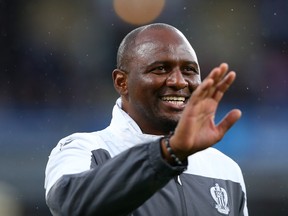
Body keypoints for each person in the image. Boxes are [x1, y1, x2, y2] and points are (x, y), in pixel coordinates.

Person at [44, 23, 248, 216]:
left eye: (189, 70)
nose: (178, 81)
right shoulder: (84, 149)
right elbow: (69, 204)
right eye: (160, 68)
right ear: (121, 82)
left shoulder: (226, 170)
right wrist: (168, 153)